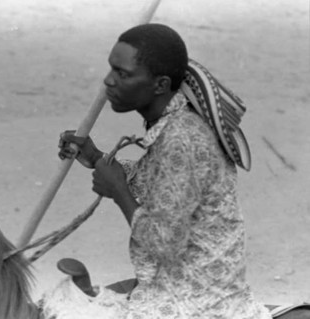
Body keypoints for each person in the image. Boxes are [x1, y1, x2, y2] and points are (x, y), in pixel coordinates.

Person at [58, 23, 271, 319]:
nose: (108, 82)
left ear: (160, 85)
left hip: (196, 303)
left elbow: (164, 244)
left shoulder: (183, 138)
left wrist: (118, 190)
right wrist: (95, 158)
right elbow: (162, 183)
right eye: (111, 69)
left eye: (123, 74)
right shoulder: (173, 122)